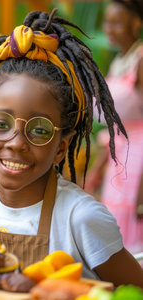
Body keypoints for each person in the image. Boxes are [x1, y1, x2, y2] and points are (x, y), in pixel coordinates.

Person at [0, 10, 143, 287]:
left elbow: (135, 290)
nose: (16, 142)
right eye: (1, 124)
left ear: (62, 146)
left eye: (39, 130)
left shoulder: (80, 218)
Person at [85, 0, 143, 255]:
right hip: (120, 158)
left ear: (136, 23)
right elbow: (114, 127)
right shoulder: (120, 61)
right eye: (106, 22)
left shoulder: (141, 59)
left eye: (116, 22)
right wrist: (97, 168)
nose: (109, 28)